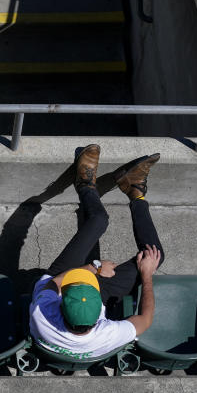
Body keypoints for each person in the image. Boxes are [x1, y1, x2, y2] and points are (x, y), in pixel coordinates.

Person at [28, 144, 163, 359]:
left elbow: (53, 283)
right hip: (100, 290)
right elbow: (145, 320)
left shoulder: (42, 314)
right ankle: (134, 190)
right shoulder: (107, 335)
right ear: (99, 319)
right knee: (154, 255)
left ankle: (84, 184)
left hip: (58, 277)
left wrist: (94, 267)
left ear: (60, 309)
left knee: (99, 220)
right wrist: (146, 274)